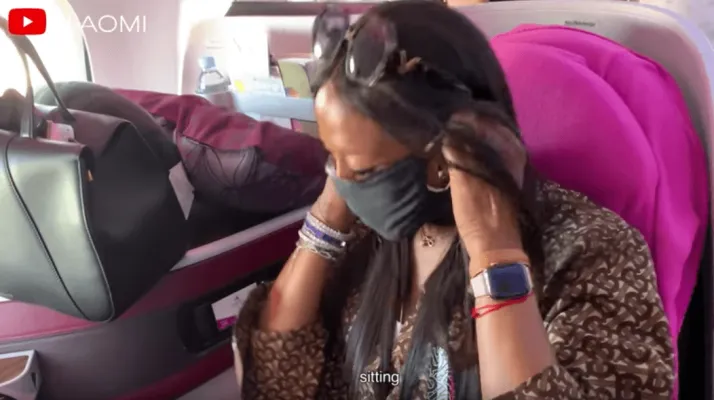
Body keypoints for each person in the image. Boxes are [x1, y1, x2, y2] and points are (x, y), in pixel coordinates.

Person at [232, 2, 674, 399]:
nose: (342, 183)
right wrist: (335, 201)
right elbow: (276, 382)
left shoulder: (590, 249)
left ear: (446, 160)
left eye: (362, 170)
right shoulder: (368, 235)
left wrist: (494, 251)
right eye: (332, 156)